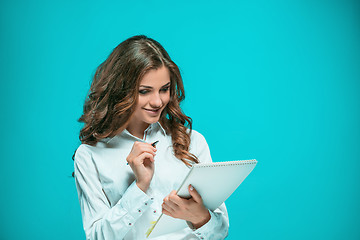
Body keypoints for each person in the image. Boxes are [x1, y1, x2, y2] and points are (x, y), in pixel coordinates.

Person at [73, 35, 229, 240]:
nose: (157, 101)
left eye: (164, 89)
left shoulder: (193, 142)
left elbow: (220, 231)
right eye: (145, 91)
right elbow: (97, 237)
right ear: (120, 90)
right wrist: (139, 187)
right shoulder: (90, 155)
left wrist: (200, 217)